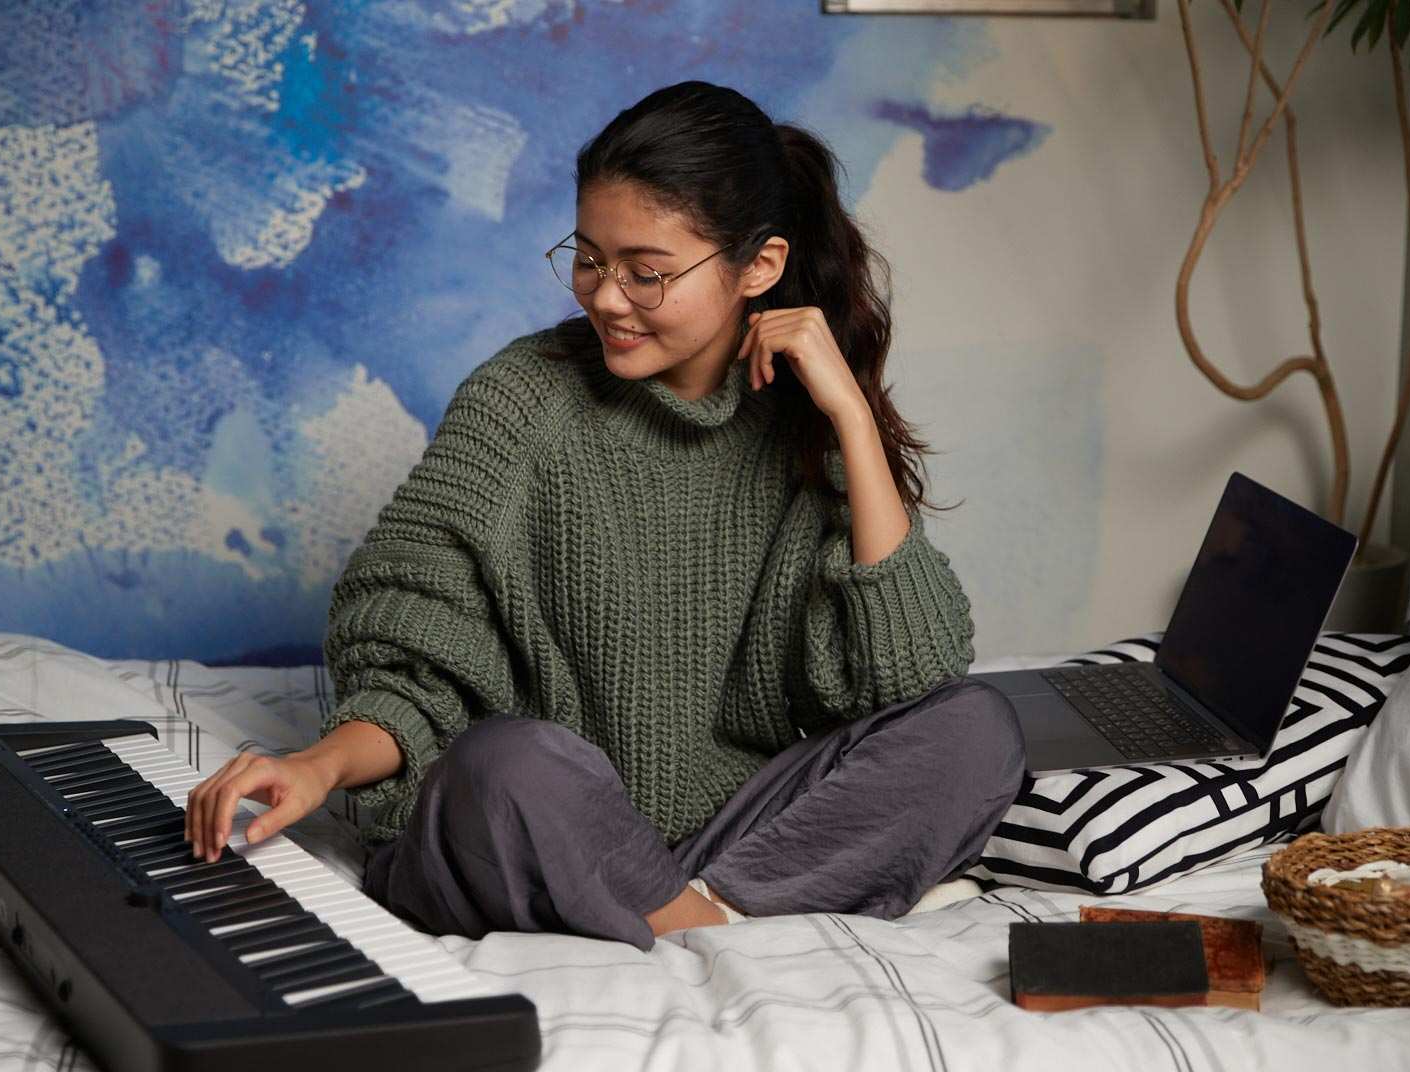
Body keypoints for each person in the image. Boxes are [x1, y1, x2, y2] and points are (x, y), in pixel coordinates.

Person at [186, 80, 1025, 951]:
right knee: (508, 763)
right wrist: (316, 766)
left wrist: (852, 418)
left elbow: (911, 684)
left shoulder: (803, 425)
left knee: (979, 729)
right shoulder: (523, 397)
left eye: (647, 273)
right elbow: (411, 662)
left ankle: (687, 914)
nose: (607, 297)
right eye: (588, 257)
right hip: (528, 831)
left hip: (716, 846)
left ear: (760, 268)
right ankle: (713, 929)